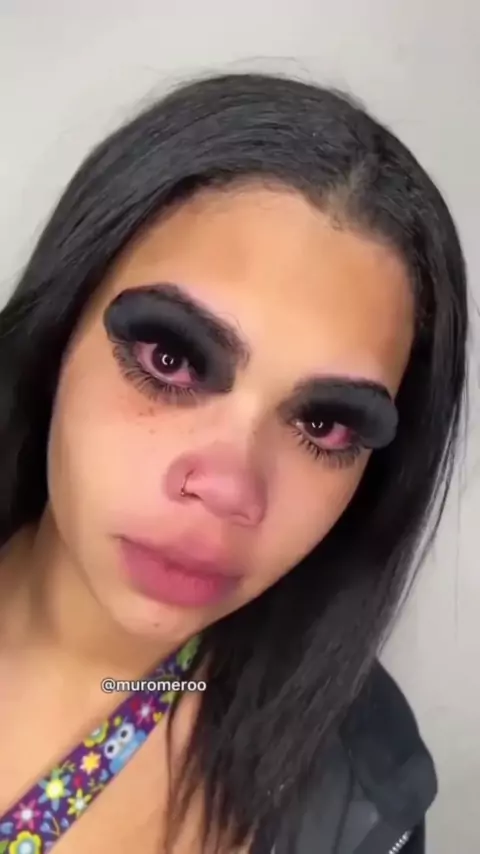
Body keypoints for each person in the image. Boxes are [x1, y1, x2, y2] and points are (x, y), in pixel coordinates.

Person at [0, 72, 467, 854]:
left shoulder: (363, 790)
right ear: (59, 332)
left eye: (323, 424)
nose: (229, 488)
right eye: (171, 359)